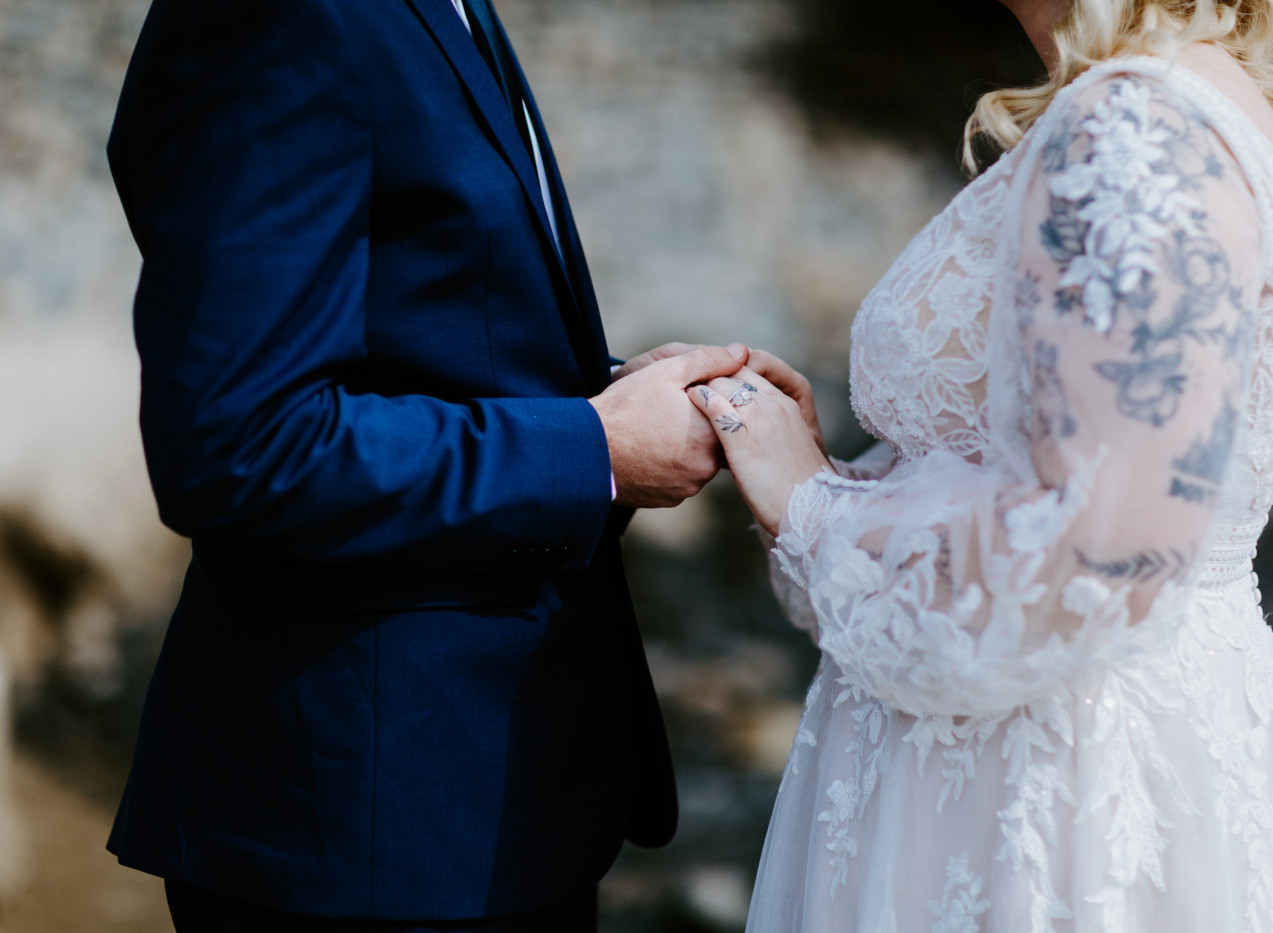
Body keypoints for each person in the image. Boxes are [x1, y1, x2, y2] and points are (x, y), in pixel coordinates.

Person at [103, 0, 816, 929]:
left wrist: (613, 400)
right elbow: (239, 443)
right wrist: (591, 449)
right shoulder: (277, 16)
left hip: (501, 801)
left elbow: (421, 331)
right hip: (362, 836)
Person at [691, 1, 1273, 930]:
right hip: (1037, 745)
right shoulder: (1160, 97)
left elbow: (1097, 555)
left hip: (1065, 784)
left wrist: (812, 507)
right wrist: (831, 467)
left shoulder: (1138, 124)